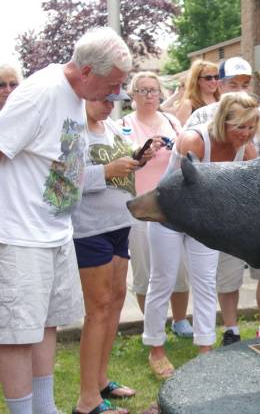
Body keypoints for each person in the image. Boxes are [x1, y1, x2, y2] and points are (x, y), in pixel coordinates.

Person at [0, 27, 131, 414]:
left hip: (56, 232)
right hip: (21, 237)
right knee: (17, 336)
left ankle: (46, 408)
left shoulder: (76, 95)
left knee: (46, 326)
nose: (113, 94)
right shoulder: (39, 93)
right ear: (87, 70)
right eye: (111, 85)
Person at [144, 92, 260, 378]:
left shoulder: (246, 149)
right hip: (169, 214)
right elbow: (189, 190)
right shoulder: (194, 140)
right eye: (239, 127)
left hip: (204, 220)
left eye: (250, 127)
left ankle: (205, 348)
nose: (245, 134)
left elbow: (251, 188)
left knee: (206, 281)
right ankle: (155, 349)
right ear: (223, 122)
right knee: (163, 280)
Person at [186, 57, 260, 345]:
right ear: (219, 85)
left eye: (246, 84)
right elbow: (189, 161)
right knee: (227, 272)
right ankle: (231, 329)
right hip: (224, 210)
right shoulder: (202, 116)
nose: (241, 89)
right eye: (233, 83)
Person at [72, 91, 155, 414]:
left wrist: (138, 158)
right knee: (99, 307)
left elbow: (119, 169)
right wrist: (106, 171)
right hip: (89, 229)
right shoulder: (73, 131)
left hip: (120, 224)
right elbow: (63, 180)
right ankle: (87, 400)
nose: (110, 106)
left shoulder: (110, 128)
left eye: (114, 100)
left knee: (116, 300)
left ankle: (101, 380)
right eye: (104, 99)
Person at [120, 71, 193, 338]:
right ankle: (155, 323)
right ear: (133, 95)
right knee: (145, 269)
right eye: (143, 91)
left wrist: (176, 146)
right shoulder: (124, 125)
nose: (149, 96)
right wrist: (141, 154)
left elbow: (188, 150)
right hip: (141, 207)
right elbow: (121, 163)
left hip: (173, 205)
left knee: (180, 268)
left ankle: (180, 320)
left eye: (153, 90)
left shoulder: (172, 121)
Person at [175, 60, 219, 125]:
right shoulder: (188, 104)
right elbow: (180, 132)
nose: (214, 81)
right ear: (197, 80)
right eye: (208, 78)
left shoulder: (221, 100)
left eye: (216, 77)